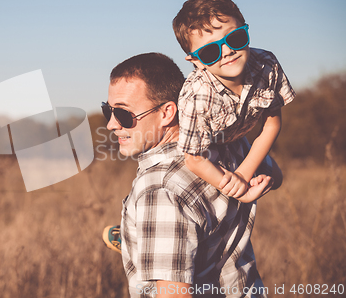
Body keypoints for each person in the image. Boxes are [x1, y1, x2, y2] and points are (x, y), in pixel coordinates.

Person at [102, 52, 274, 297]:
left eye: (122, 114)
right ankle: (147, 239)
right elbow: (274, 172)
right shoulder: (225, 140)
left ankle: (150, 242)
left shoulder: (159, 191)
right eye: (107, 110)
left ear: (166, 113)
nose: (110, 124)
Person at [172, 0, 295, 199]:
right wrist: (240, 191)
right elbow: (193, 159)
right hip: (201, 148)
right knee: (212, 198)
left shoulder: (266, 65)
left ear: (246, 30)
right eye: (211, 51)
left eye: (235, 38)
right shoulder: (197, 95)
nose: (227, 51)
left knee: (277, 179)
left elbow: (272, 124)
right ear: (196, 61)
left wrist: (243, 173)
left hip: (237, 139)